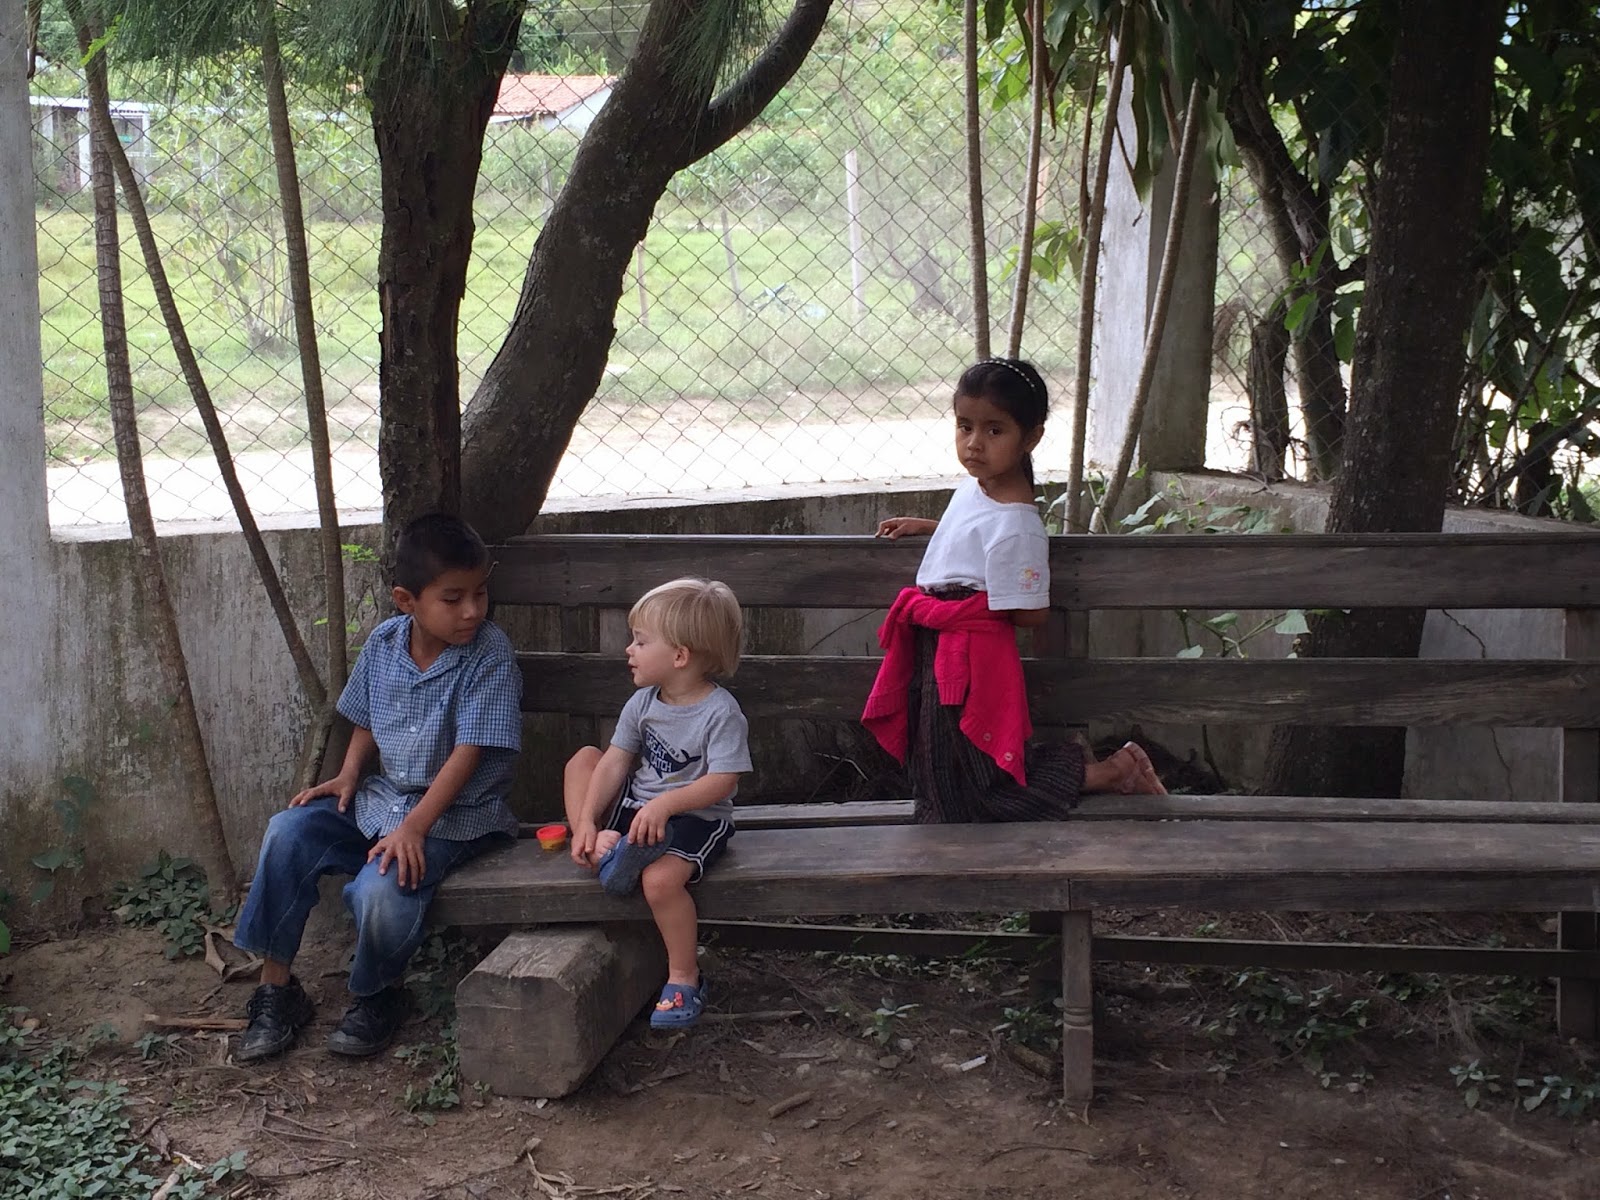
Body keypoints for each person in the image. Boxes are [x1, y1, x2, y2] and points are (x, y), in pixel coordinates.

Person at [232, 513, 522, 1062]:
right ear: (406, 601)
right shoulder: (385, 643)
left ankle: (377, 994)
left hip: (457, 818)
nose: (472, 611)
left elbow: (469, 752)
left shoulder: (488, 653)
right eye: (453, 598)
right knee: (288, 831)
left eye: (480, 594)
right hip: (382, 801)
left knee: (381, 889)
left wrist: (414, 827)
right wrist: (349, 773)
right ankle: (276, 991)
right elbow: (368, 715)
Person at [864, 357, 1166, 822]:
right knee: (944, 767)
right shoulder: (978, 487)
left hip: (970, 661)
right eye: (964, 426)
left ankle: (1112, 771)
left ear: (1031, 437)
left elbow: (1030, 613)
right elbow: (976, 535)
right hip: (940, 650)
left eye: (994, 430)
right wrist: (931, 527)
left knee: (977, 785)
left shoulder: (1019, 527)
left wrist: (969, 610)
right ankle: (1106, 771)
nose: (973, 443)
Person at [564, 578, 749, 1030]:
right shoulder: (642, 702)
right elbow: (614, 762)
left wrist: (665, 806)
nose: (629, 650)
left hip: (694, 817)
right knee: (585, 759)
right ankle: (593, 840)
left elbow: (724, 781)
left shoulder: (720, 712)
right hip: (640, 806)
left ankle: (684, 977)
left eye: (641, 641)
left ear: (679, 656)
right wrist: (587, 819)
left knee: (660, 881)